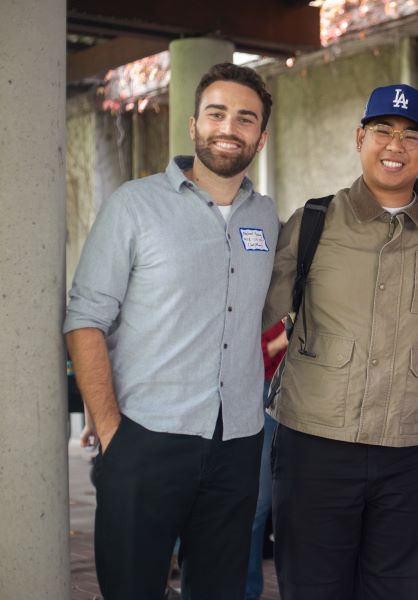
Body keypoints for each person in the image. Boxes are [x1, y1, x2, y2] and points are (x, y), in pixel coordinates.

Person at [64, 62, 277, 600]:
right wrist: (112, 431)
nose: (229, 127)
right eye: (217, 113)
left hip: (237, 443)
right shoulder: (135, 206)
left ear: (261, 135)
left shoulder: (268, 219)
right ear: (193, 125)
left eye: (245, 118)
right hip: (146, 439)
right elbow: (86, 318)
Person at [263, 83, 418, 600]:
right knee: (312, 589)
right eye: (383, 131)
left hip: (409, 454)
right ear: (359, 137)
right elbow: (251, 315)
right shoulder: (313, 223)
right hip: (314, 446)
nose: (396, 146)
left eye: (411, 135)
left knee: (401, 590)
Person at [245, 320, 289, 600]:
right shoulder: (268, 287)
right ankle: (247, 591)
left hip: (308, 396)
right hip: (265, 392)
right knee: (258, 504)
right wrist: (286, 337)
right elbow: (253, 357)